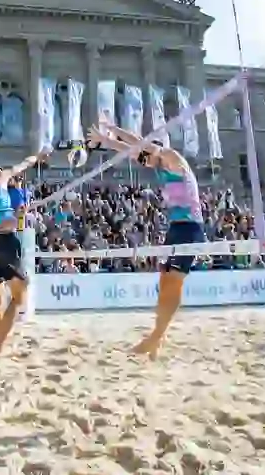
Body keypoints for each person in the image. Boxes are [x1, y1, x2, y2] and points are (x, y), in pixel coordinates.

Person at [86, 124, 204, 359]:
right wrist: (106, 141)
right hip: (175, 229)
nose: (144, 162)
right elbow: (132, 150)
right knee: (165, 283)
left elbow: (139, 143)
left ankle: (155, 338)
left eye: (146, 157)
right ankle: (157, 337)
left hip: (191, 228)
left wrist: (113, 128)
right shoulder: (158, 165)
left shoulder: (173, 157)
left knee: (174, 283)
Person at [0, 150, 49, 359]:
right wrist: (38, 157)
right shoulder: (1, 182)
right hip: (5, 243)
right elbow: (21, 165)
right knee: (19, 295)